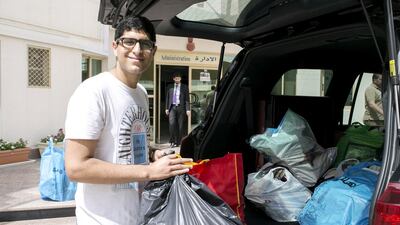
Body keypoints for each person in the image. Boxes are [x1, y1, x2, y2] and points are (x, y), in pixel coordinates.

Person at [64, 16, 192, 225]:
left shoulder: (140, 93)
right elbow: (76, 167)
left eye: (145, 44)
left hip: (137, 214)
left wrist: (153, 153)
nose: (137, 50)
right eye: (129, 41)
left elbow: (127, 143)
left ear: (154, 50)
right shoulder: (93, 91)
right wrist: (149, 171)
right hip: (102, 220)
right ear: (115, 47)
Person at [165, 73, 190, 147]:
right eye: (176, 78)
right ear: (173, 79)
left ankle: (179, 142)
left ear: (180, 79)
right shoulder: (170, 86)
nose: (177, 79)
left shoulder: (185, 87)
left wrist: (187, 109)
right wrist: (166, 108)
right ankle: (172, 141)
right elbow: (167, 97)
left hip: (181, 107)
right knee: (172, 124)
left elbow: (187, 99)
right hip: (172, 107)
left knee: (181, 126)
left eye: (178, 78)